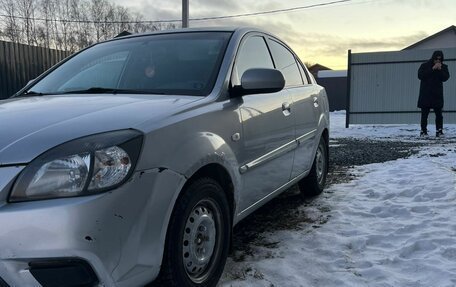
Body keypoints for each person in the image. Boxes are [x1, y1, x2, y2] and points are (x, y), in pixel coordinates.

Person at [417, 50, 450, 137]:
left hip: (437, 94)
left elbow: (445, 78)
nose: (438, 61)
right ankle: (423, 131)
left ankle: (439, 131)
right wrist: (432, 69)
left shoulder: (444, 67)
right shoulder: (424, 66)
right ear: (433, 58)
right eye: (436, 59)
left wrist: (439, 70)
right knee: (424, 114)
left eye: (440, 59)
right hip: (426, 93)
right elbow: (420, 76)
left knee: (439, 114)